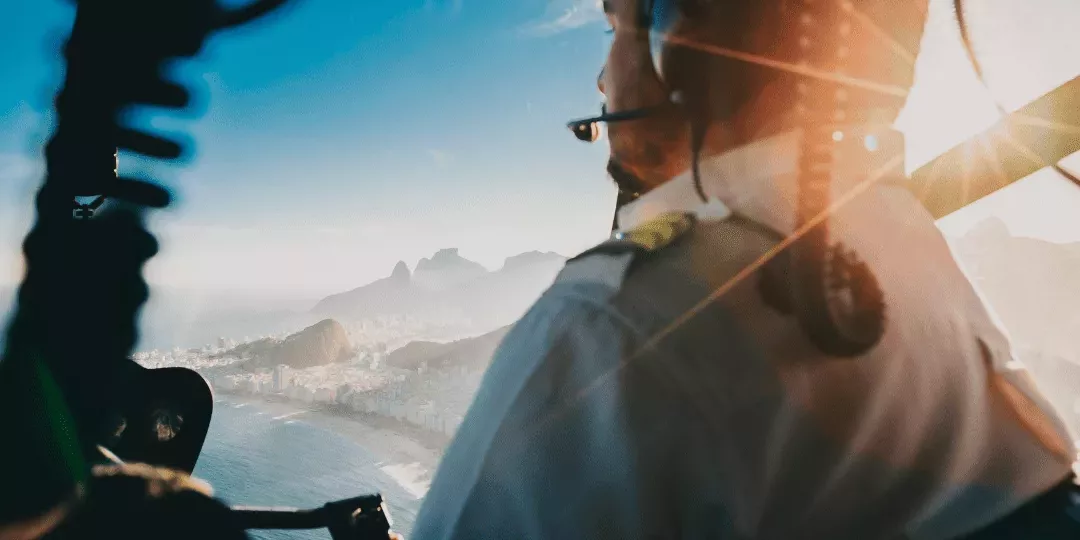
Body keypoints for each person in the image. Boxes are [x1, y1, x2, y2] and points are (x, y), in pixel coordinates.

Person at [411, 1, 1078, 539]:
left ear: (680, 37)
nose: (601, 80)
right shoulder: (909, 250)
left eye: (616, 28)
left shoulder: (605, 330)